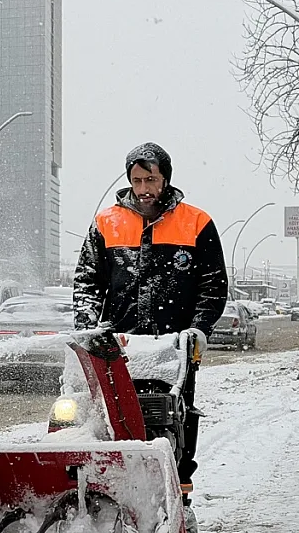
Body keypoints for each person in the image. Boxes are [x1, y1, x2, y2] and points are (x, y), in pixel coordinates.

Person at [73, 142, 228, 503]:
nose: (144, 188)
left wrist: (199, 328)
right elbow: (86, 282)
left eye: (151, 180)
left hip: (175, 345)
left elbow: (213, 284)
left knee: (175, 411)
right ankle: (115, 480)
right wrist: (86, 328)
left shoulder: (196, 223)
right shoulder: (106, 223)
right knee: (112, 414)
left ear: (165, 179)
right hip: (119, 344)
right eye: (137, 180)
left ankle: (179, 479)